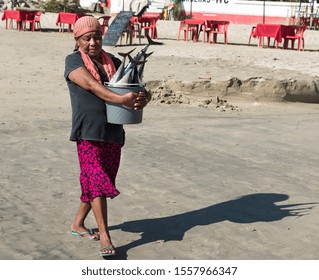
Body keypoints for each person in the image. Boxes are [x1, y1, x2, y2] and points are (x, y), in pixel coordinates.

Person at [64, 16, 151, 257]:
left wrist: (144, 97)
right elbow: (93, 86)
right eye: (87, 38)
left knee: (96, 183)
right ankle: (105, 235)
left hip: (113, 131)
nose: (93, 42)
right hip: (88, 132)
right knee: (97, 182)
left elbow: (136, 87)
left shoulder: (113, 61)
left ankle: (77, 224)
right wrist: (121, 99)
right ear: (77, 40)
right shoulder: (72, 61)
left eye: (97, 36)